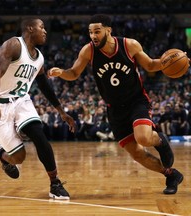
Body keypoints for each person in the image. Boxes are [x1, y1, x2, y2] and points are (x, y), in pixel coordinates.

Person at [48, 14, 184, 194]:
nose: (93, 36)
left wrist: (174, 60)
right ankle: (171, 175)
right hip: (114, 109)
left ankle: (160, 141)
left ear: (108, 30)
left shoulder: (129, 45)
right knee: (136, 153)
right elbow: (73, 73)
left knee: (143, 137)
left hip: (136, 101)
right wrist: (61, 73)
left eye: (97, 31)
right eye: (90, 32)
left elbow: (151, 65)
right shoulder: (88, 51)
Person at [0, 18, 75, 200]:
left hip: (21, 101)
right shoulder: (14, 45)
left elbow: (44, 84)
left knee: (40, 137)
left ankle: (55, 183)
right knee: (19, 157)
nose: (45, 31)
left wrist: (61, 111)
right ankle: (3, 155)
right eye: (42, 27)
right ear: (30, 29)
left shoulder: (39, 57)